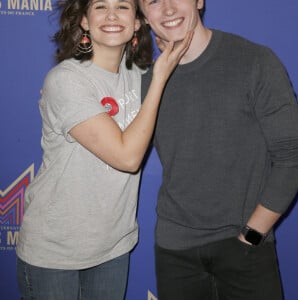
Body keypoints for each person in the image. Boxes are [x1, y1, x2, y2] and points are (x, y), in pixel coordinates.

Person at [15, 0, 192, 299]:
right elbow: (127, 157)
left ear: (137, 22)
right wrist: (160, 76)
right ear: (84, 21)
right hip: (55, 251)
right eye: (100, 7)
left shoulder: (140, 76)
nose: (112, 15)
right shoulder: (66, 80)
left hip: (113, 248)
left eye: (123, 6)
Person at [138, 0, 298, 299]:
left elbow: (292, 157)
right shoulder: (147, 83)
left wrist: (251, 236)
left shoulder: (254, 61)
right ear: (144, 15)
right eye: (153, 1)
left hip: (245, 246)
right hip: (175, 252)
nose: (168, 8)